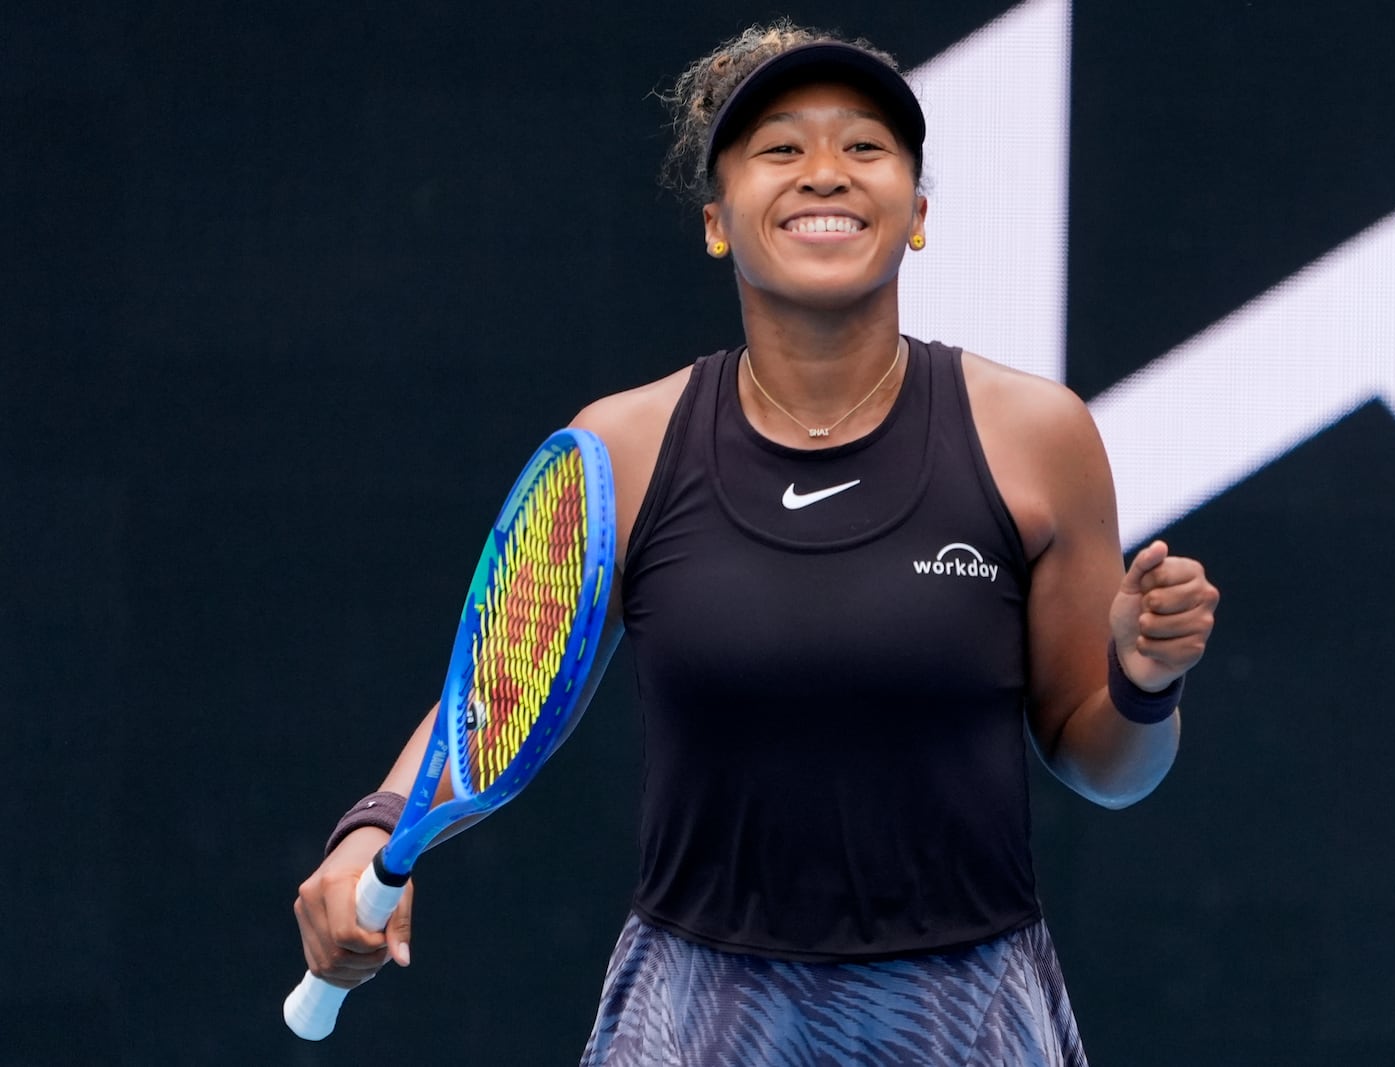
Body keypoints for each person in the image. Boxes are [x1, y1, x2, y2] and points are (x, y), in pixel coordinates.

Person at [293, 21, 1219, 1066]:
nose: (824, 172)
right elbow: (498, 693)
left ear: (915, 214)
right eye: (779, 149)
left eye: (865, 148)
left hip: (966, 1012)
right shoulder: (621, 447)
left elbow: (1107, 767)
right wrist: (373, 828)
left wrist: (1142, 677)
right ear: (715, 222)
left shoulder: (1037, 437)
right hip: (697, 1014)